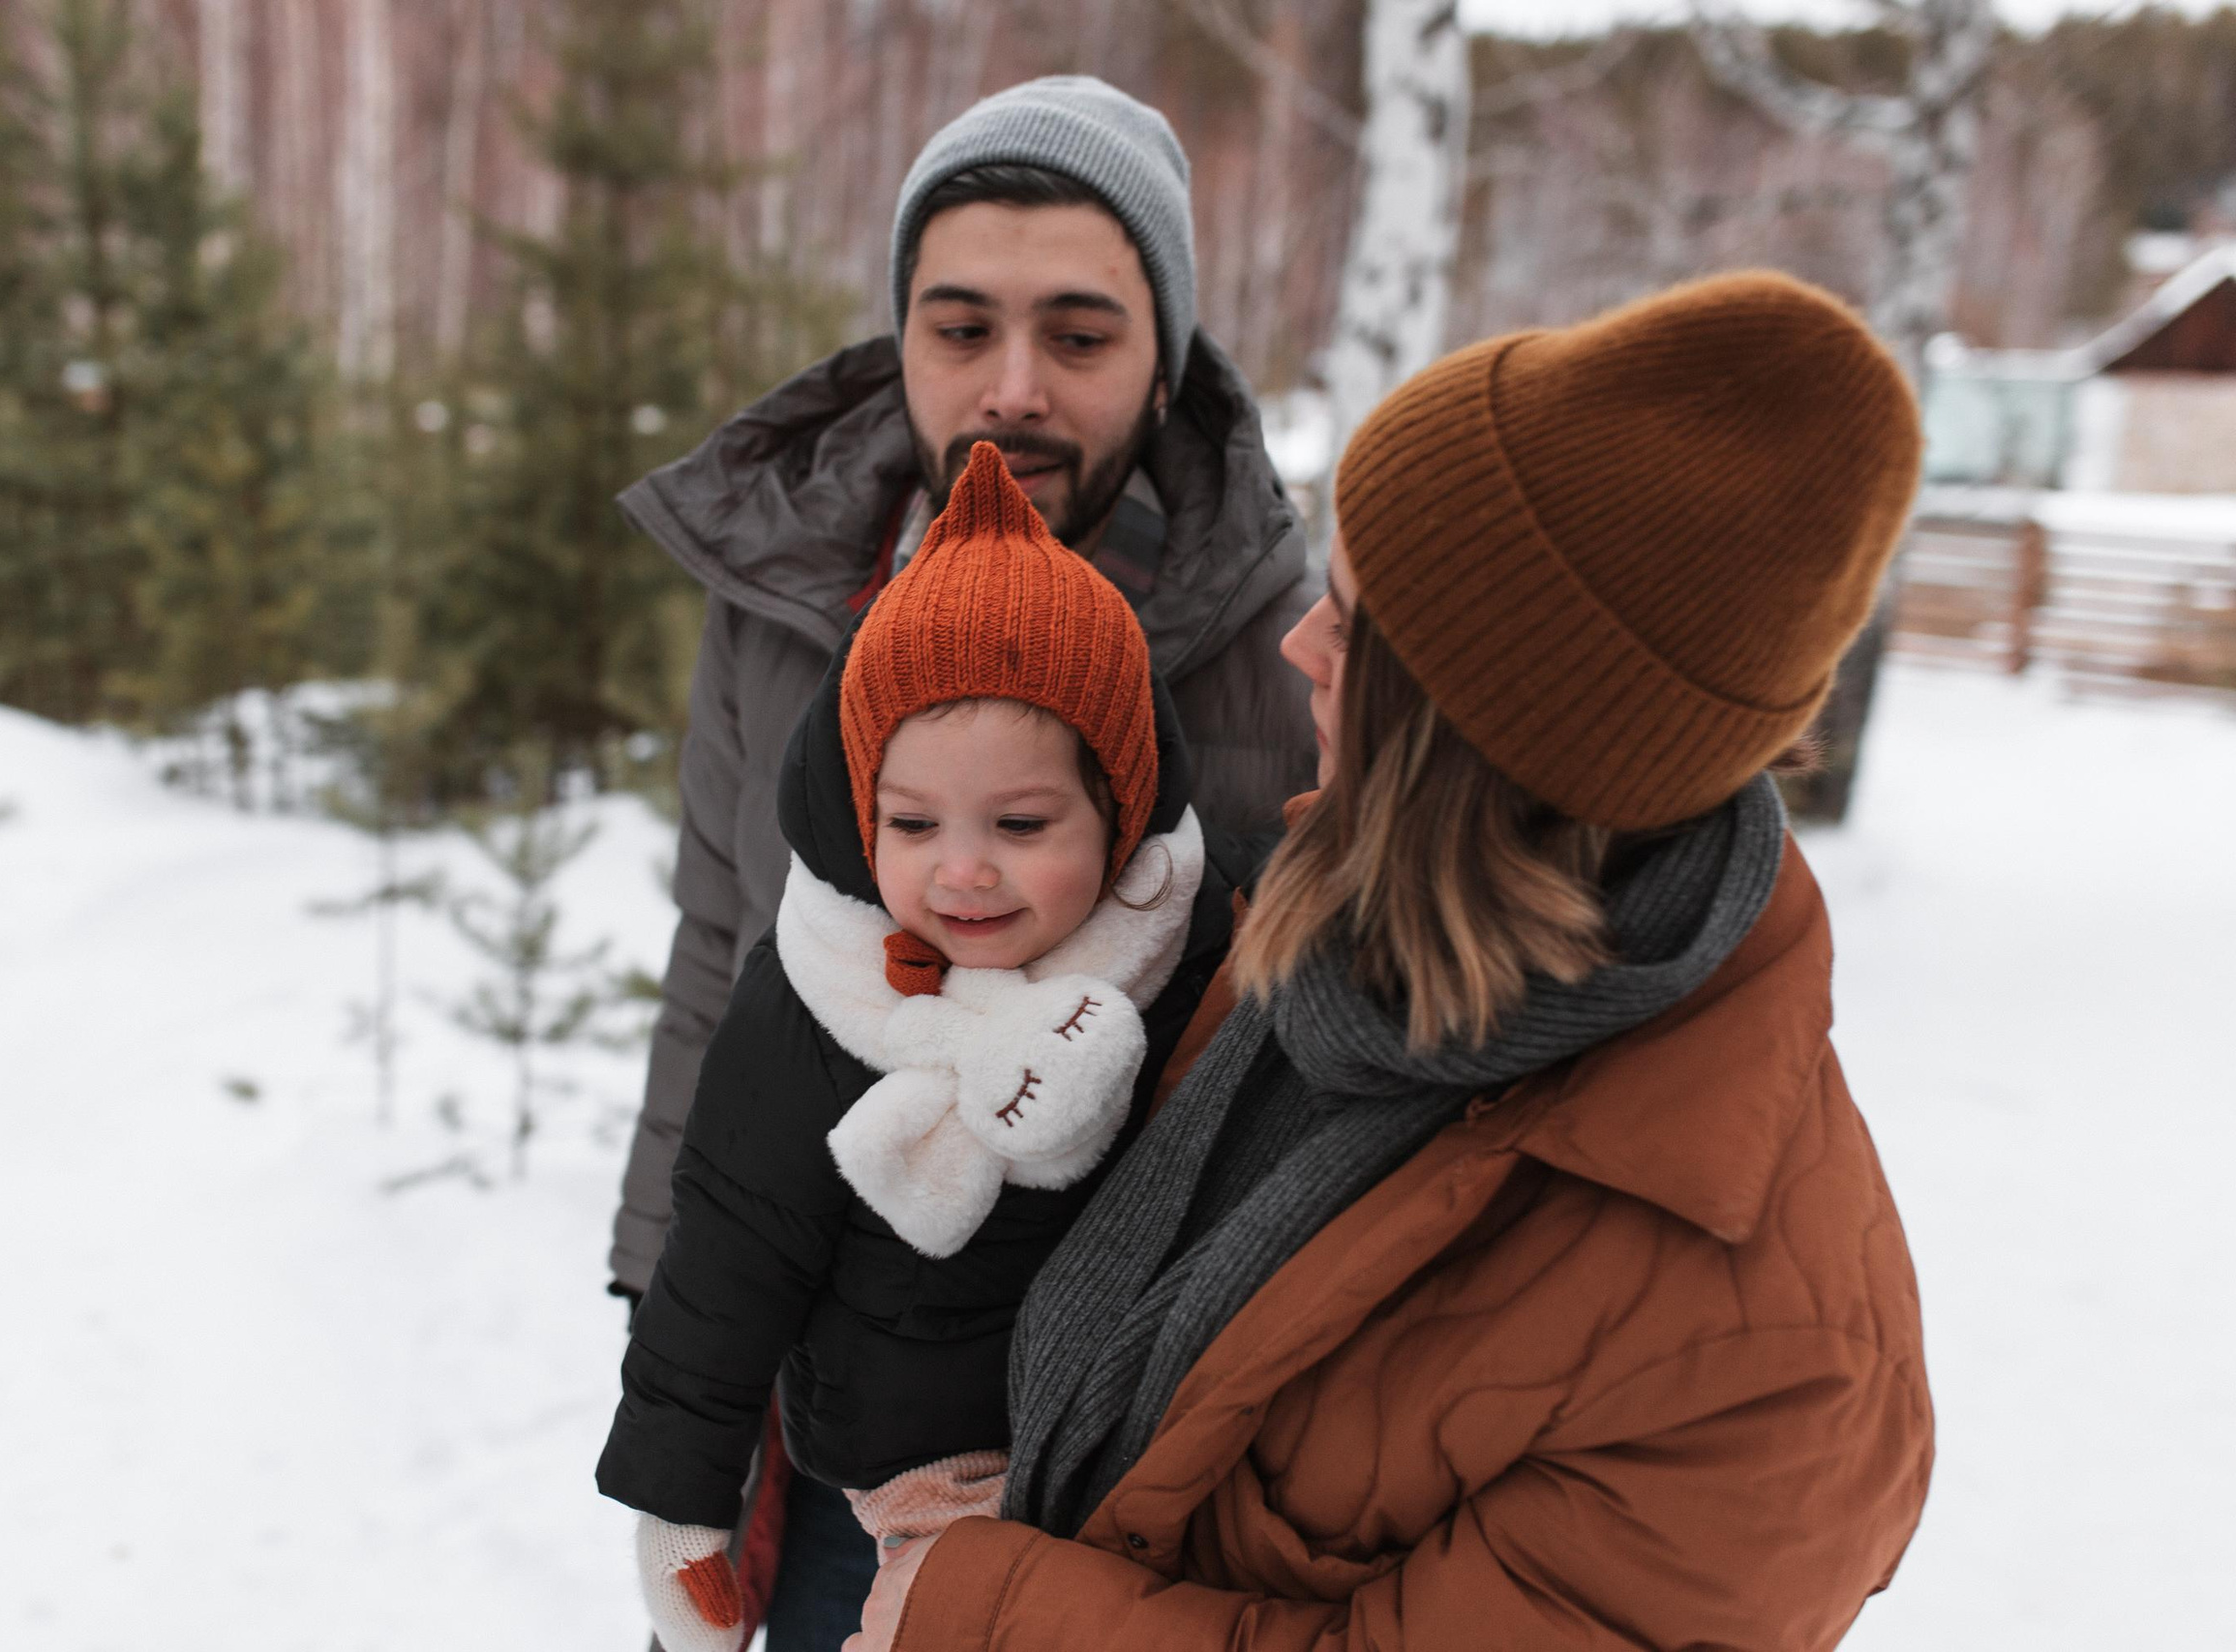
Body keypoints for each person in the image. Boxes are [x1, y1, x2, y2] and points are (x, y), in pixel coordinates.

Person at [842, 271, 1938, 1651]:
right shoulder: (1351, 932)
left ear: (1474, 741)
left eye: (1353, 624)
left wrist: (988, 1610)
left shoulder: (1761, 1367)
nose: (1302, 638)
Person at [607, 75, 1315, 1640]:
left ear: (1165, 348)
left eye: (1077, 334)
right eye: (960, 327)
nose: (1011, 388)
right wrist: (674, 1319)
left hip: (1142, 1460)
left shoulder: (1281, 638)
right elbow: (719, 945)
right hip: (823, 1416)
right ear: (902, 334)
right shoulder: (785, 599)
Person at [598, 444, 1251, 1652]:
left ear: (1117, 809)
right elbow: (727, 1256)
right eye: (910, 824)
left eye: (1019, 823)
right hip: (908, 1481)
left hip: (1143, 1468)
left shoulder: (1190, 952)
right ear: (859, 812)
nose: (961, 871)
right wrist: (680, 1504)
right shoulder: (818, 995)